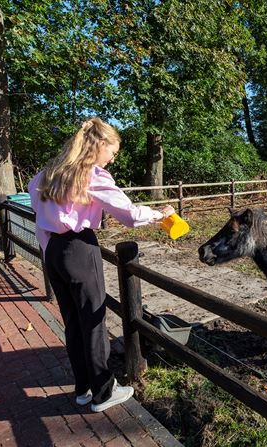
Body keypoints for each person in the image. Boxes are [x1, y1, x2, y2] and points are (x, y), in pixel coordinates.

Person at [28, 117, 174, 413]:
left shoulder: (48, 174)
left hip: (54, 250)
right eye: (113, 151)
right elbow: (129, 215)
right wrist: (160, 214)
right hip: (80, 249)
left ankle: (83, 388)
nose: (113, 158)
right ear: (100, 145)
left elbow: (36, 209)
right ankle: (104, 392)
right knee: (93, 321)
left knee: (73, 322)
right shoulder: (91, 175)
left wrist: (50, 252)